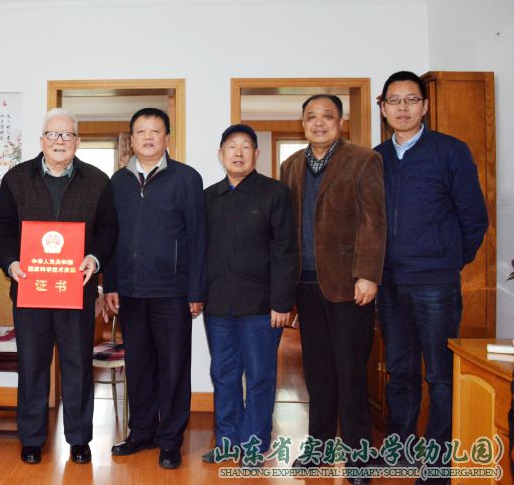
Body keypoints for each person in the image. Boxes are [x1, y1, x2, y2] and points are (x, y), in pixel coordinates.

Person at [374, 71, 488, 479]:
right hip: (389, 282)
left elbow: (474, 217)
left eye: (411, 99)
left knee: (440, 375)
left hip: (435, 282)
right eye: (394, 100)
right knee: (400, 371)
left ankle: (438, 462)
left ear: (424, 106)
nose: (402, 108)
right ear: (383, 108)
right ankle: (401, 451)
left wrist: (449, 259)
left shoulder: (450, 151)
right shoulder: (376, 158)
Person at [0, 108, 117, 465]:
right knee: (32, 365)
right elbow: (2, 227)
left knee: (78, 365)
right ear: (42, 140)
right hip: (30, 290)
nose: (59, 140)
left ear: (77, 141)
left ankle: (79, 439)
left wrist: (95, 258)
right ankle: (32, 438)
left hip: (76, 290)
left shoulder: (97, 180)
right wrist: (10, 262)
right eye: (52, 134)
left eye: (67, 135)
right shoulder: (17, 178)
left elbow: (109, 229)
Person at [280, 95, 385, 484]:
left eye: (327, 116)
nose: (319, 123)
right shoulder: (291, 165)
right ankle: (319, 448)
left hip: (349, 285)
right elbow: (286, 228)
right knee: (317, 372)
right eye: (311, 117)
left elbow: (374, 221)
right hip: (305, 284)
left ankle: (359, 457)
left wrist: (368, 274)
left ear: (340, 121)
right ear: (302, 123)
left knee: (351, 372)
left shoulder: (363, 160)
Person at [105, 107, 206, 470]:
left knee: (173, 367)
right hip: (130, 290)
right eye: (141, 131)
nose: (148, 137)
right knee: (138, 365)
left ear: (167, 137)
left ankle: (170, 440)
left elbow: (198, 237)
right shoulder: (117, 181)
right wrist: (110, 284)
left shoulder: (186, 178)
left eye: (155, 131)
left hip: (172, 291)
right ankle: (141, 432)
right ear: (131, 139)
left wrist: (196, 291)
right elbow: (111, 236)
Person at [202, 124, 296, 465]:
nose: (238, 153)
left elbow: (286, 250)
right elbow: (200, 251)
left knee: (259, 378)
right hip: (218, 304)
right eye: (231, 146)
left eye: (245, 147)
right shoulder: (208, 197)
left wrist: (282, 302)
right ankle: (228, 442)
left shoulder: (275, 193)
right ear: (220, 154)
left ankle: (255, 446)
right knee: (223, 375)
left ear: (256, 154)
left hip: (261, 307)